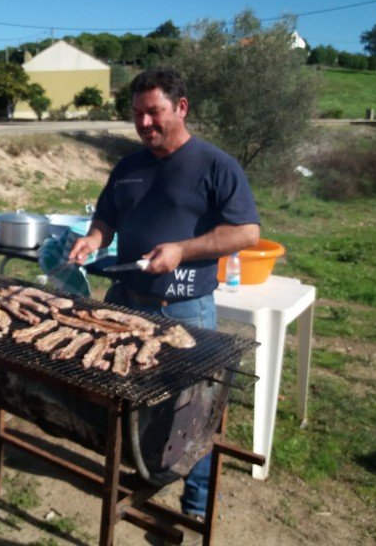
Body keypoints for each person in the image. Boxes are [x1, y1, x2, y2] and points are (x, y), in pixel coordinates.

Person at [69, 68, 260, 542]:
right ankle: (136, 474)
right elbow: (106, 216)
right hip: (123, 302)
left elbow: (246, 233)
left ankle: (195, 508)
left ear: (181, 108)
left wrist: (182, 249)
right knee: (125, 398)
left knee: (192, 412)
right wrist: (93, 239)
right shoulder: (128, 165)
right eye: (137, 114)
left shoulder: (216, 165)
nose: (144, 123)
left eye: (154, 112)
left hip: (185, 308)